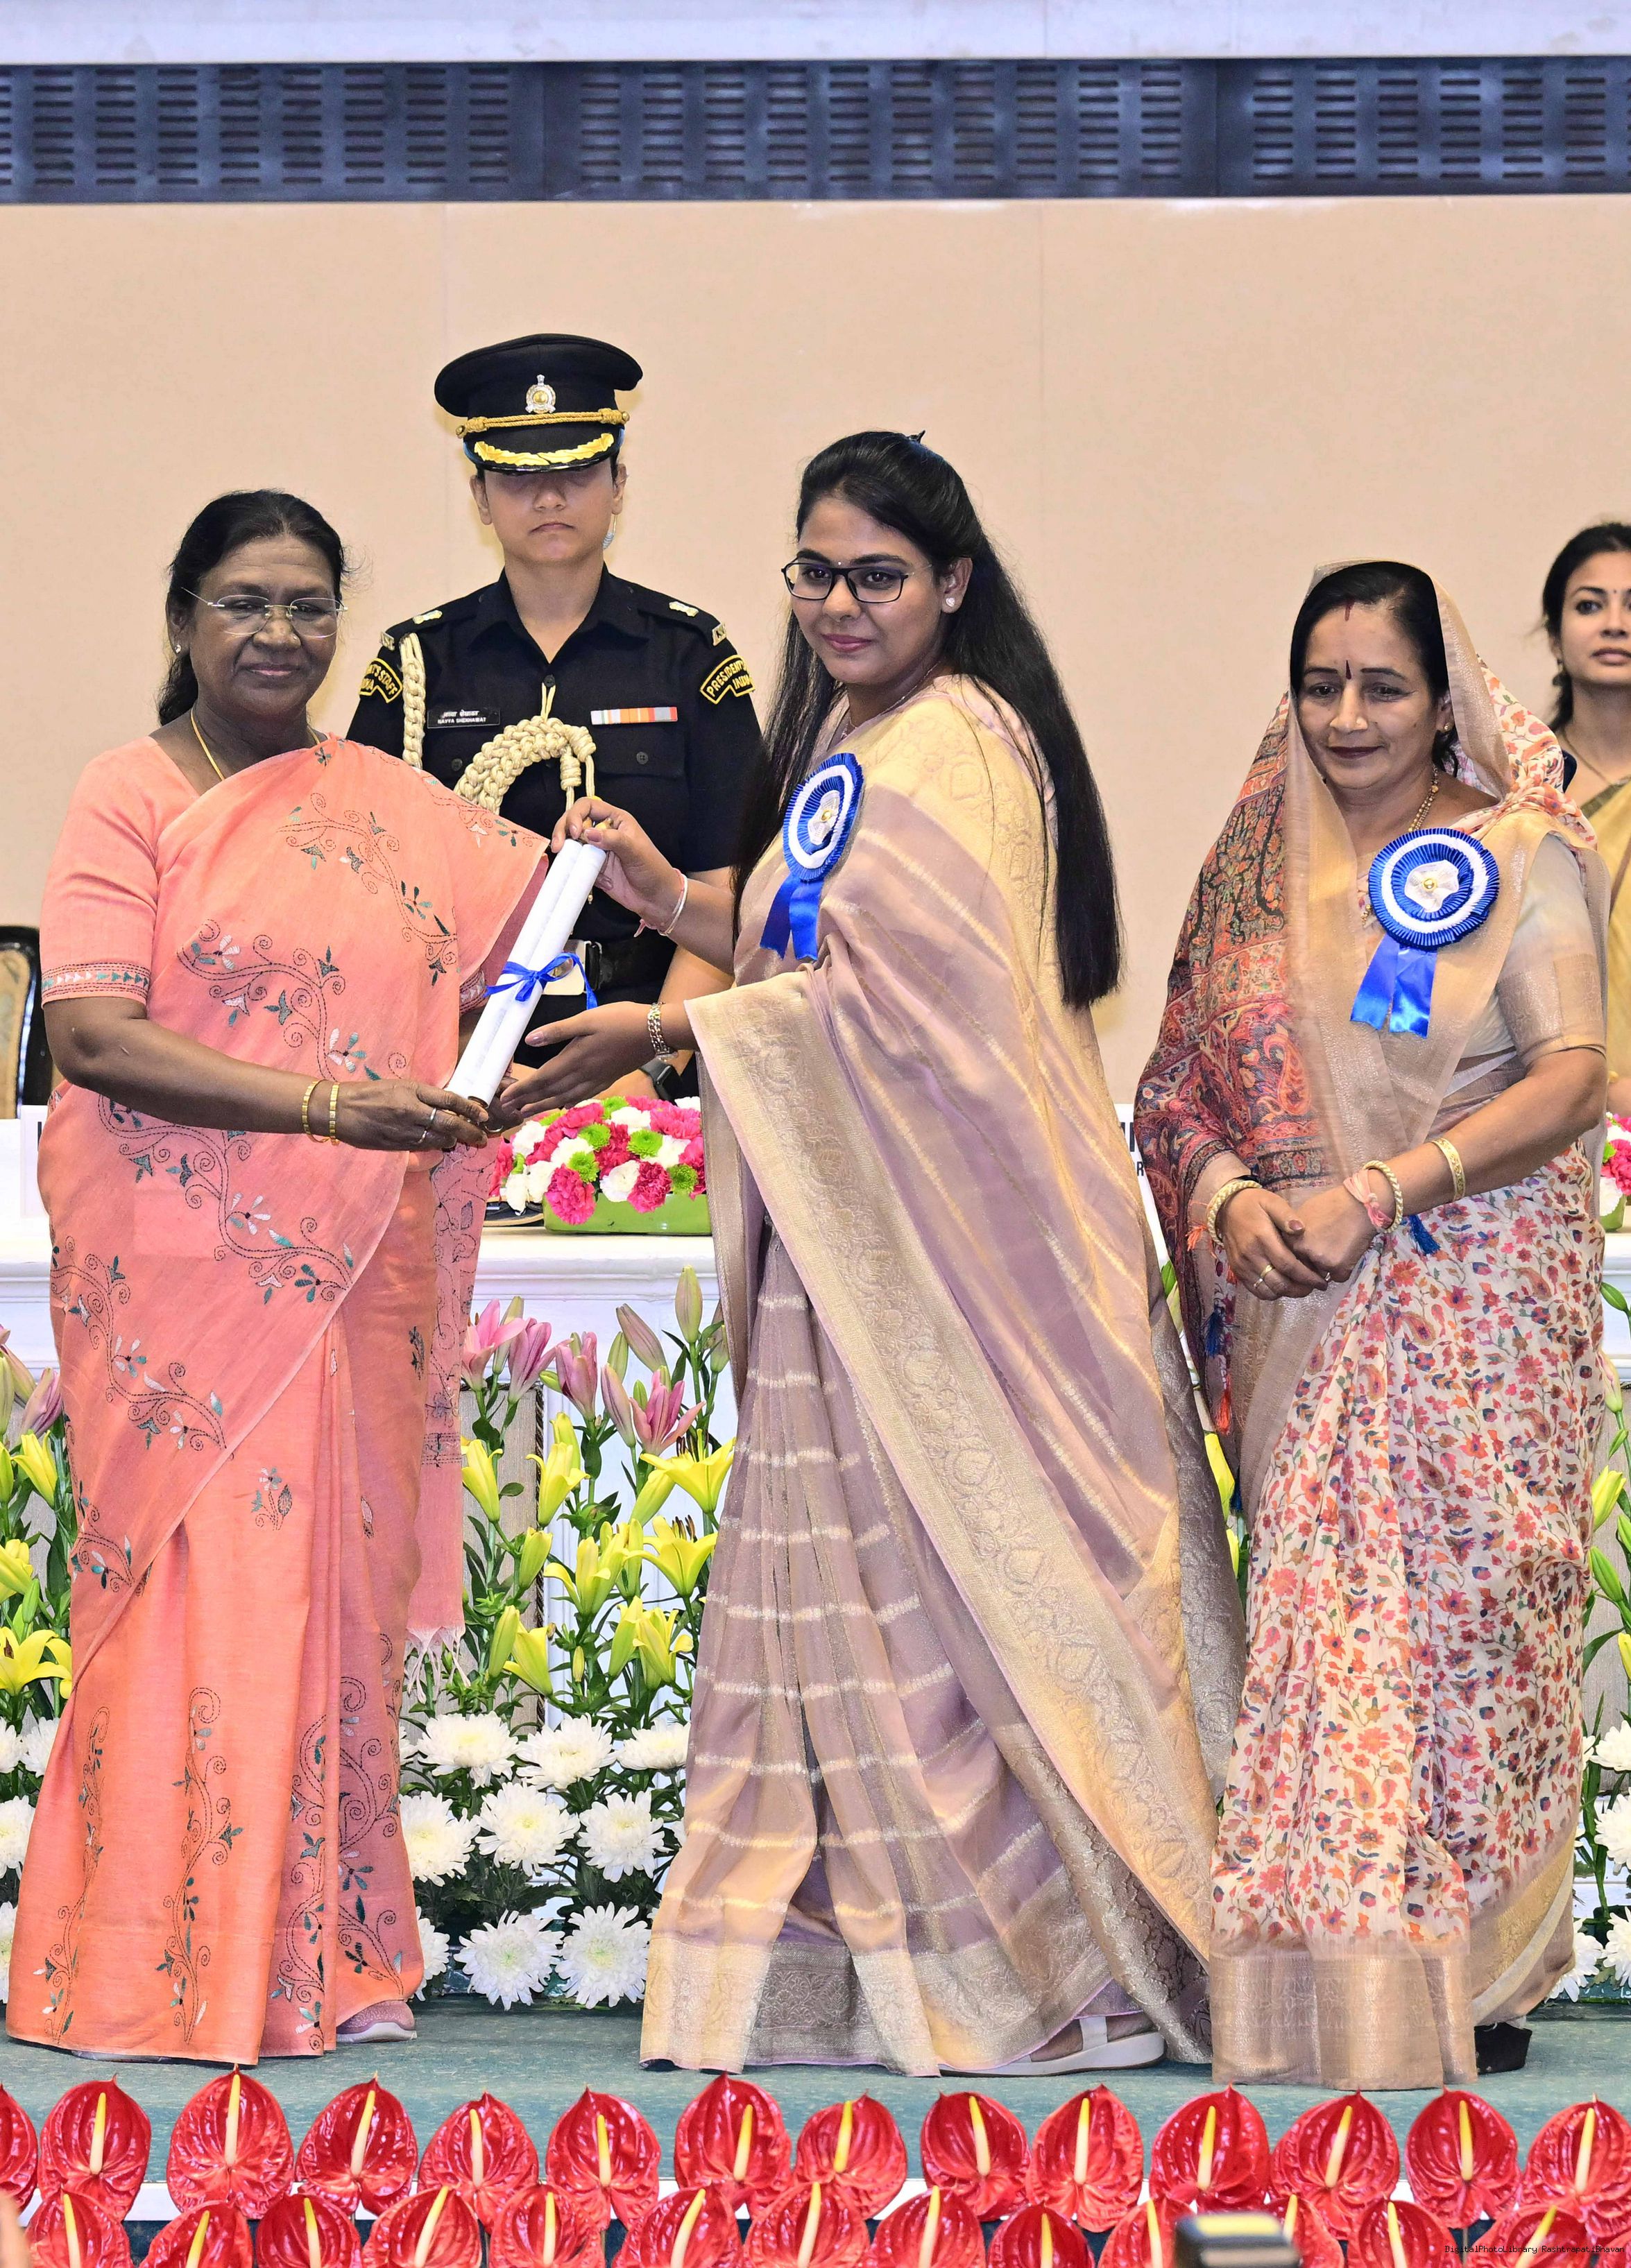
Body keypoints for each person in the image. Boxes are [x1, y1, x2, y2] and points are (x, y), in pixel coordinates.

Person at [524, 431, 1245, 2076]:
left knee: (951, 1616)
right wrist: (671, 902)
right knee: (857, 1617)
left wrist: (663, 1031)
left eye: (876, 577)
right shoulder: (856, 737)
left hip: (965, 1268)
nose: (839, 605)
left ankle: (1050, 1973)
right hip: (856, 1251)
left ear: (950, 584)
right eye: (816, 573)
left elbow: (933, 1024)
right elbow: (816, 959)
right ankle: (872, 1978)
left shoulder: (962, 746)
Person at [12, 490, 545, 2062]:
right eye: (245, 601)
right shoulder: (127, 795)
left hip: (357, 1265)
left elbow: (530, 954)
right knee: (198, 1606)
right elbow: (91, 1033)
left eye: (309, 604)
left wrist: (543, 1030)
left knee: (330, 1612)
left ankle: (320, 1966)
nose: (278, 632)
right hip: (182, 1282)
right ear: (184, 616)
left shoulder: (388, 806)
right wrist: (329, 1106)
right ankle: (152, 1970)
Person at [1136, 561, 1607, 2090]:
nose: (1347, 717)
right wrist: (1224, 1200)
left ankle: (1480, 1972)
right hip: (1296, 1300)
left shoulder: (1515, 853)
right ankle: (1323, 1985)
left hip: (1473, 1297)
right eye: (1320, 685)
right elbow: (1171, 1083)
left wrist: (1379, 1188)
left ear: (1442, 699)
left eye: (1381, 687)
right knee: (1330, 1643)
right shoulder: (1248, 874)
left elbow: (1569, 1079)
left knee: (1470, 1634)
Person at [349, 332, 762, 1104]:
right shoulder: (416, 663)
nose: (548, 499)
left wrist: (648, 1071)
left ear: (618, 484)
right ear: (480, 497)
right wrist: (460, 1063)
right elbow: (370, 892)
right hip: (454, 1057)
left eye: (576, 473)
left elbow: (728, 890)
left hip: (651, 1043)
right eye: (517, 478)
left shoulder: (689, 655)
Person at [1543, 522, 1631, 1117]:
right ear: (1554, 635)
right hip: (1545, 1115)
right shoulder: (1515, 786)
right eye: (1589, 605)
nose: (1614, 624)